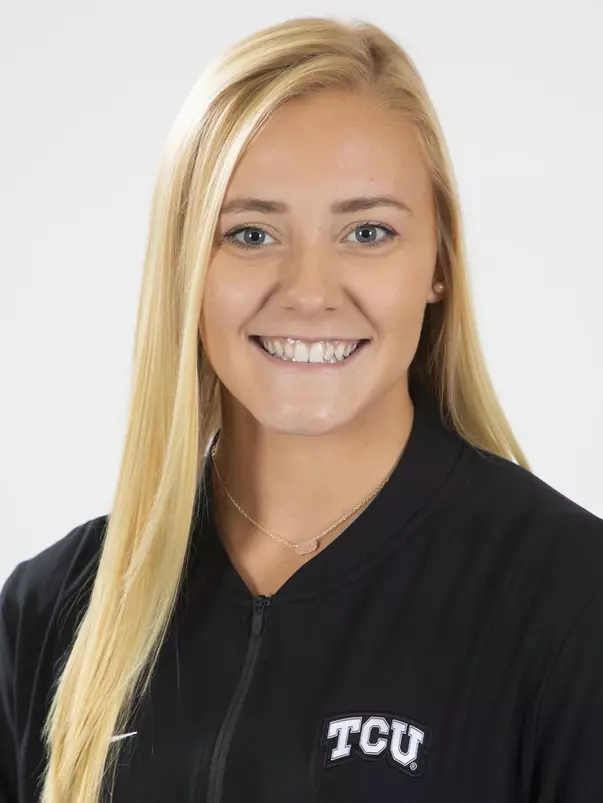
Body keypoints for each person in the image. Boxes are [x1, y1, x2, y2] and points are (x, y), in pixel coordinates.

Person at [1, 15, 602, 803]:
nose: (309, 292)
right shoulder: (51, 612)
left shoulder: (569, 600)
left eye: (367, 231)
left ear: (439, 262)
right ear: (185, 267)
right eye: (251, 233)